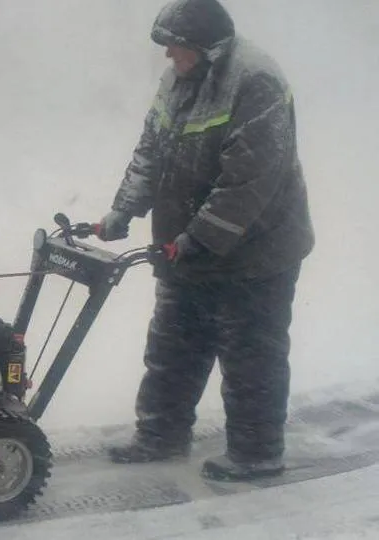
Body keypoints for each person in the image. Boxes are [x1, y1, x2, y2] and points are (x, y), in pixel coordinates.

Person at [95, 0, 315, 482]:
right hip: (187, 244)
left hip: (257, 252)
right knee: (174, 343)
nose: (169, 57)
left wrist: (196, 239)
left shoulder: (256, 82)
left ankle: (257, 453)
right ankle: (161, 435)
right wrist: (122, 211)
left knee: (250, 352)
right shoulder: (178, 79)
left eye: (176, 48)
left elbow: (248, 182)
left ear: (207, 48)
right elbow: (151, 150)